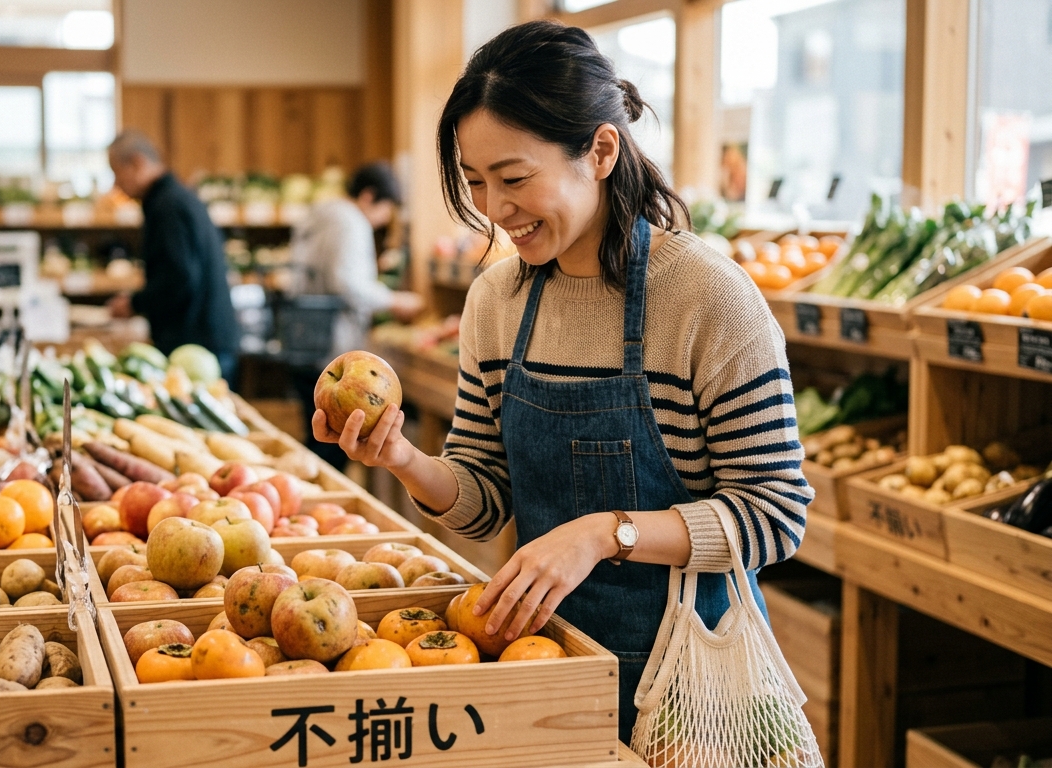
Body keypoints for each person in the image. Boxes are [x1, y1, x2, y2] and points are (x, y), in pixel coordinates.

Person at [314, 21, 812, 743]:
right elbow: (486, 500)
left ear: (601, 150)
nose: (493, 206)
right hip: (542, 664)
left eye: (514, 178)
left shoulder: (709, 299)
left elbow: (776, 514)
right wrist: (403, 462)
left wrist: (605, 534)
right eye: (475, 181)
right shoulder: (496, 302)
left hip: (694, 687)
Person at [288, 162, 425, 468]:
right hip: (332, 348)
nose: (381, 221)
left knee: (315, 433)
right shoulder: (351, 222)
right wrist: (394, 300)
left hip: (300, 337)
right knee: (333, 446)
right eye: (385, 209)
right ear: (368, 196)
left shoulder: (316, 214)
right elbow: (348, 283)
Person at [106, 130, 239, 382]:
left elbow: (179, 277)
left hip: (198, 347)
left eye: (116, 173)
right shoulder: (175, 198)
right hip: (206, 340)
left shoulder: (167, 206)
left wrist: (136, 303)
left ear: (136, 163)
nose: (116, 185)